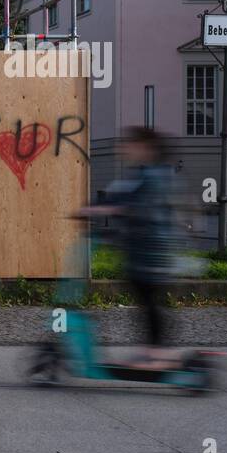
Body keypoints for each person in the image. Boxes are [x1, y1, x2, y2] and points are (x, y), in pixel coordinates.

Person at [78, 126, 178, 369]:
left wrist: (106, 210)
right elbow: (118, 196)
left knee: (149, 299)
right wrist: (94, 207)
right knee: (144, 298)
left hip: (152, 252)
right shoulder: (141, 174)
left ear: (146, 147)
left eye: (130, 144)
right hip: (140, 251)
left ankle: (159, 355)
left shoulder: (155, 176)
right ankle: (151, 351)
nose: (125, 148)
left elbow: (138, 206)